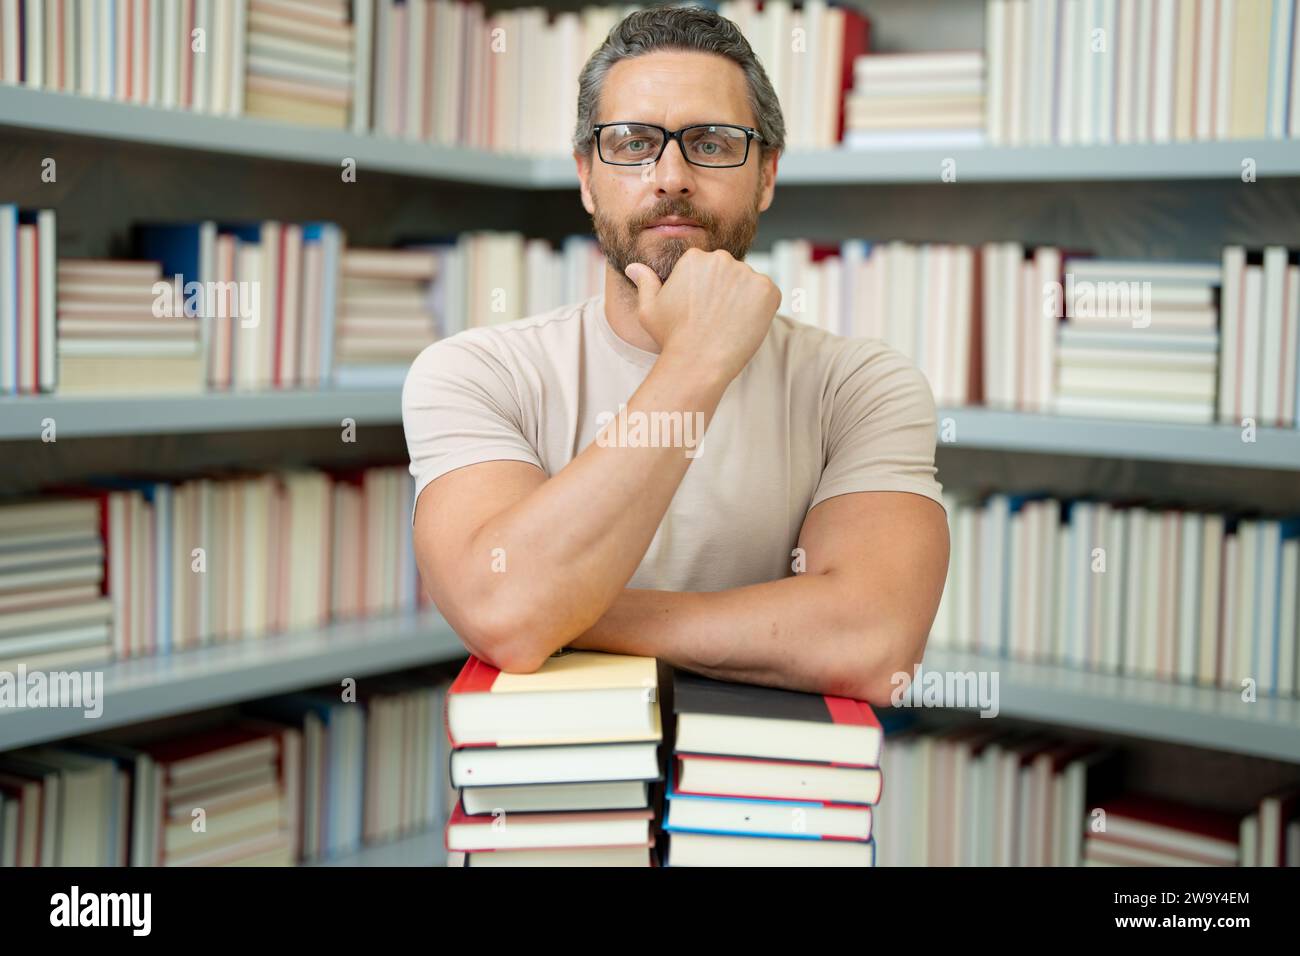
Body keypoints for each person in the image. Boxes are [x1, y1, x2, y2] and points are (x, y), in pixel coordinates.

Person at [401, 4, 949, 706]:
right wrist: (697, 361)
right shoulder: (474, 373)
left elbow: (874, 643)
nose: (670, 176)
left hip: (773, 799)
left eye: (713, 143)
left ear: (767, 174)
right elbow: (510, 611)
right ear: (585, 177)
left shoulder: (862, 386)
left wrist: (562, 608)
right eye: (631, 143)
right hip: (550, 802)